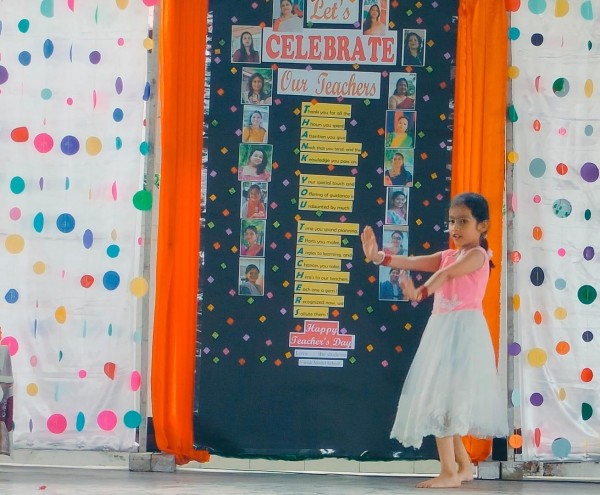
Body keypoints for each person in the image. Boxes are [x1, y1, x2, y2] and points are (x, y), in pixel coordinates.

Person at [361, 192, 507, 488]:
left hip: (462, 332)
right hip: (442, 328)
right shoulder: (449, 254)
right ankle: (463, 467)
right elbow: (414, 261)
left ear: (482, 226)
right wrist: (379, 257)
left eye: (463, 222)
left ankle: (449, 472)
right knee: (444, 399)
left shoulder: (478, 255)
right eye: (452, 222)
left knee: (441, 398)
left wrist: (420, 293)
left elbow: (447, 275)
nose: (455, 228)